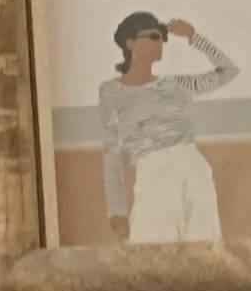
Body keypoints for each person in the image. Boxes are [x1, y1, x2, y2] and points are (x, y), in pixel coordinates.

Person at [94, 12, 237, 245]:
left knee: (202, 259)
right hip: (153, 176)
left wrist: (193, 36)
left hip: (195, 173)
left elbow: (228, 71)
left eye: (162, 37)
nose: (160, 42)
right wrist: (116, 209)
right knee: (151, 261)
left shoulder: (175, 85)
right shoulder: (111, 91)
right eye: (152, 36)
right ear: (130, 43)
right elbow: (111, 152)